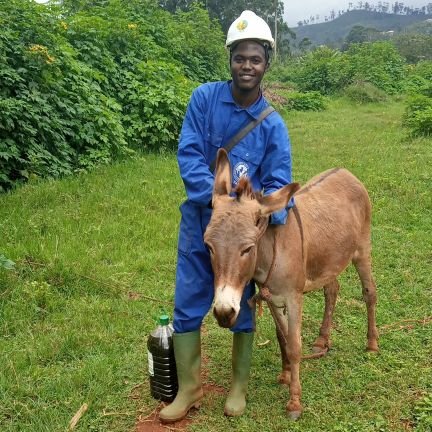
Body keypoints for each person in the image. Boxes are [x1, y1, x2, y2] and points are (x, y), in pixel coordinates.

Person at [159, 10, 294, 423]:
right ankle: (188, 388)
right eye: (240, 58)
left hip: (245, 235)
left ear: (266, 64)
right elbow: (190, 153)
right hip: (201, 222)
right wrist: (215, 199)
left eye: (255, 58)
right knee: (188, 300)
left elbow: (280, 183)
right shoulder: (203, 99)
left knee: (241, 303)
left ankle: (238, 387)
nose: (247, 66)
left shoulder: (273, 126)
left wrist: (259, 215)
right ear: (230, 61)